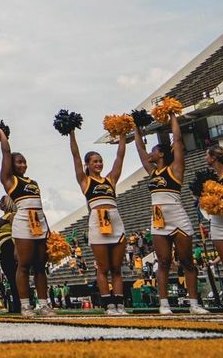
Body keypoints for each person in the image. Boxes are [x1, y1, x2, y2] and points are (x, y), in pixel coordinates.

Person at [134, 111, 208, 314]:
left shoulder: (175, 169)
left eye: (153, 150)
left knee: (187, 262)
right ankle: (164, 304)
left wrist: (173, 115)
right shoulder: (152, 172)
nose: (149, 153)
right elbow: (139, 148)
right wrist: (136, 126)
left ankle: (194, 304)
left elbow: (177, 140)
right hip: (158, 219)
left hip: (177, 216)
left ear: (161, 154)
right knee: (163, 262)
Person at [67, 127, 128, 315]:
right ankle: (108, 305)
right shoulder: (85, 181)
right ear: (87, 164)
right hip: (97, 222)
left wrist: (123, 133)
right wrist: (71, 133)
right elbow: (75, 156)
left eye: (100, 161)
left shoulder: (110, 180)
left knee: (116, 268)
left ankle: (120, 304)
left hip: (115, 222)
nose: (99, 164)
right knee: (103, 267)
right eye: (95, 161)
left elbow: (120, 157)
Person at [0, 126, 53, 317]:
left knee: (40, 266)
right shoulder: (10, 180)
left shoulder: (33, 183)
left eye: (25, 162)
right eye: (19, 162)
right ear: (11, 165)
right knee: (24, 264)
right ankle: (26, 305)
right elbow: (6, 153)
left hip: (39, 224)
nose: (23, 165)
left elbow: (40, 207)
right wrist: (2, 135)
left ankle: (43, 305)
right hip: (22, 223)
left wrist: (48, 230)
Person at [206, 146, 223, 290]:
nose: (205, 158)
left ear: (213, 157)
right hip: (218, 224)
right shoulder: (210, 179)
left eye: (207, 155)